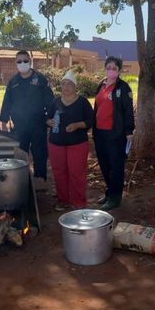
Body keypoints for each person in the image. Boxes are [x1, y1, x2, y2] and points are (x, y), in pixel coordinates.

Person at [0, 50, 54, 188]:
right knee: (20, 154)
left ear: (30, 61)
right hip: (19, 126)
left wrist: (49, 118)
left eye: (25, 61)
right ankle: (20, 181)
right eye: (19, 61)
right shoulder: (13, 82)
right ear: (15, 63)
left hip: (38, 124)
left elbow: (50, 101)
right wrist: (4, 121)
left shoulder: (40, 79)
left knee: (40, 153)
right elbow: (7, 102)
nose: (22, 63)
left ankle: (40, 180)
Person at [46, 70, 94, 211]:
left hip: (77, 143)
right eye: (64, 83)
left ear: (75, 87)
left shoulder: (82, 102)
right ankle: (63, 200)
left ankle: (79, 202)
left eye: (69, 84)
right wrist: (49, 122)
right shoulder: (55, 102)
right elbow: (46, 118)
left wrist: (77, 125)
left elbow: (91, 121)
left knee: (77, 173)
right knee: (59, 172)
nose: (66, 86)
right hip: (56, 144)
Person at [93, 56, 134, 211]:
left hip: (115, 134)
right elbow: (97, 107)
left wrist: (129, 130)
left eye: (114, 68)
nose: (111, 70)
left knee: (116, 167)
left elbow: (128, 111)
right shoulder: (101, 85)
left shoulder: (123, 88)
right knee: (104, 165)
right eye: (108, 67)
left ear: (119, 71)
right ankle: (109, 192)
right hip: (100, 133)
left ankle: (115, 197)